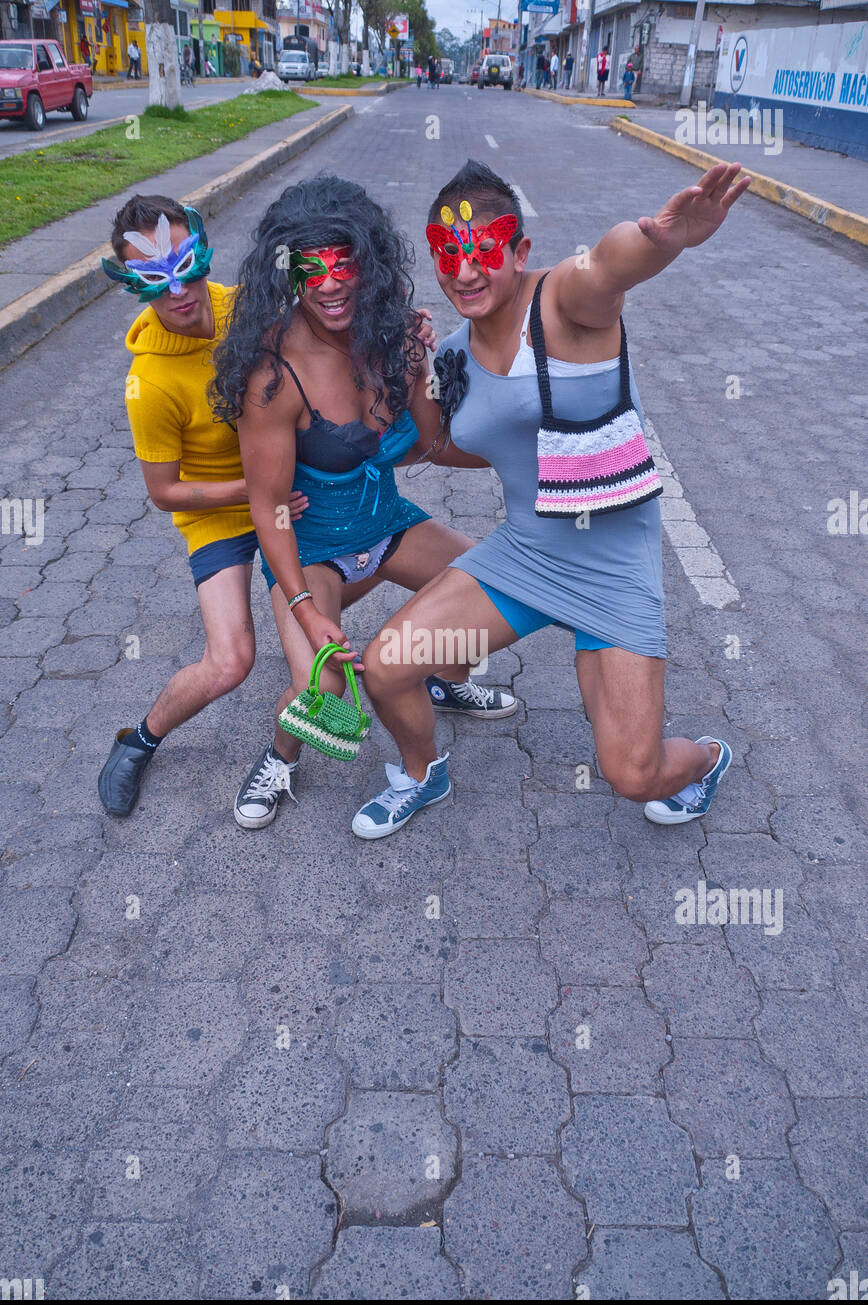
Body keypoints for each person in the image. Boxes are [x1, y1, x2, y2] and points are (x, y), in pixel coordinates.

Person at [351, 158, 751, 840]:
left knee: (634, 774)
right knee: (387, 668)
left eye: (484, 251)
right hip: (526, 559)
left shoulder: (563, 303)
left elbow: (607, 268)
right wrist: (416, 381)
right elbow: (456, 446)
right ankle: (422, 775)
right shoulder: (454, 350)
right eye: (450, 255)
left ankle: (708, 759)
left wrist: (663, 237)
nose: (465, 271)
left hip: (611, 572)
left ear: (520, 251)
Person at [211, 176, 516, 830]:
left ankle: (438, 676)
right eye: (309, 267)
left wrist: (521, 448)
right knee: (319, 686)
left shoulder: (390, 334)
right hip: (312, 552)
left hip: (386, 527)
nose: (328, 283)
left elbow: (432, 441)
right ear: (286, 271)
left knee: (494, 593)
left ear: (369, 260)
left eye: (343, 262)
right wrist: (300, 605)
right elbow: (269, 509)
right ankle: (279, 758)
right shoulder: (272, 374)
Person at [96, 196, 327, 818]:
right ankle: (139, 741)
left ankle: (434, 667)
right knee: (230, 661)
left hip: (284, 493)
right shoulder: (148, 384)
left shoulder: (247, 308)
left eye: (185, 266)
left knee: (326, 617)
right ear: (131, 283)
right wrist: (253, 492)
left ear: (203, 253)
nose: (177, 291)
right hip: (221, 509)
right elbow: (164, 492)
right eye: (153, 278)